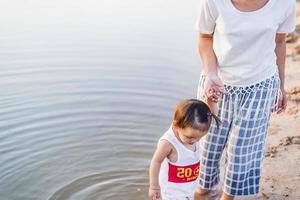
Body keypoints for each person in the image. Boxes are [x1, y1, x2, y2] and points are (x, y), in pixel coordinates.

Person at [194, 0, 296, 199]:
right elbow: (204, 37)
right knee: (208, 147)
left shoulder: (284, 3)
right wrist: (211, 74)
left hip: (260, 85)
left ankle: (227, 196)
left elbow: (280, 41)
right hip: (217, 85)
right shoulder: (214, 2)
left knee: (242, 153)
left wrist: (281, 87)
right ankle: (201, 191)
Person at [149, 99, 220, 200]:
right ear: (176, 125)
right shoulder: (169, 143)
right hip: (173, 193)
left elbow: (212, 115)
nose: (194, 141)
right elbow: (156, 161)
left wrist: (211, 102)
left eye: (199, 137)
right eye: (189, 137)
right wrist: (154, 187)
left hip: (190, 187)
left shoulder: (194, 131)